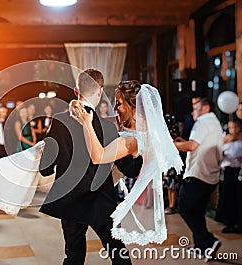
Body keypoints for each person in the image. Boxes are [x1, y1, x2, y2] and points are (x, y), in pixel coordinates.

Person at [39, 71, 144, 265]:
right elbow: (130, 170)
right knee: (118, 253)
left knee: (74, 257)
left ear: (76, 91)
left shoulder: (59, 122)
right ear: (100, 91)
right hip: (100, 201)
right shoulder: (109, 127)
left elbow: (45, 169)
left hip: (69, 200)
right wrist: (139, 154)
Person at [70, 80, 183, 247]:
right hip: (89, 191)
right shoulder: (127, 125)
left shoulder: (132, 140)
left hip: (100, 194)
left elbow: (98, 156)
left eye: (119, 103)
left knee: (115, 249)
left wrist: (86, 122)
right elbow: (99, 120)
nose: (115, 108)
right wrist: (77, 104)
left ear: (134, 107)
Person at [174, 97, 223, 260]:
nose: (192, 111)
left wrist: (172, 144)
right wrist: (184, 142)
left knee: (185, 207)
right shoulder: (214, 122)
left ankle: (208, 241)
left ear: (205, 108)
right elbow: (196, 144)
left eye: (195, 107)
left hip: (198, 174)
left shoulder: (202, 122)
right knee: (197, 211)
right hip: (211, 175)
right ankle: (201, 246)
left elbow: (191, 146)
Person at [219, 120, 242, 233]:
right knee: (228, 197)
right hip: (228, 170)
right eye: (231, 128)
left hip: (239, 170)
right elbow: (219, 149)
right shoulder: (225, 138)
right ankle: (229, 223)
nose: (233, 130)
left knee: (238, 198)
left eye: (235, 127)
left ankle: (239, 223)